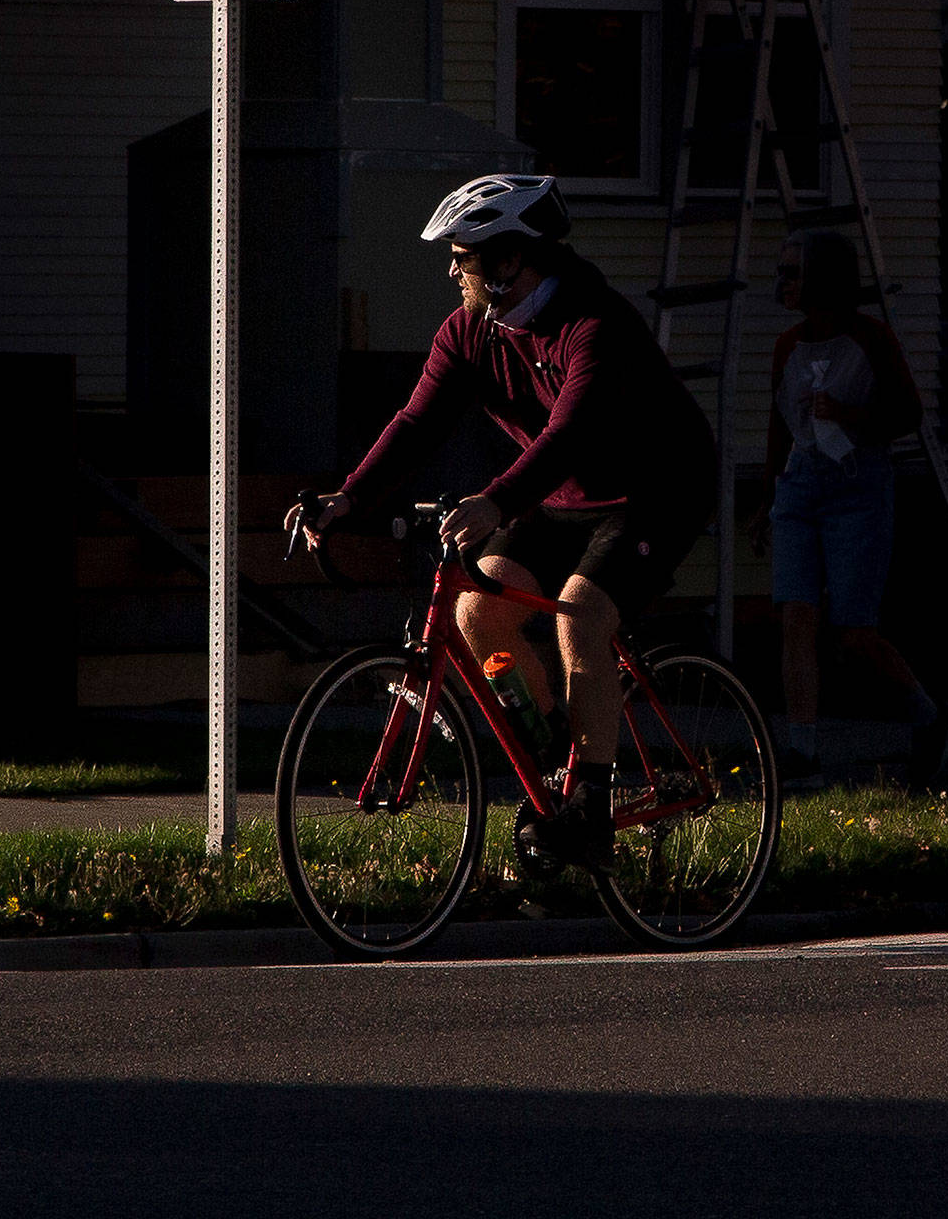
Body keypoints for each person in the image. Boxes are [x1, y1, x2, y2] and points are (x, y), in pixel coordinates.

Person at [285, 172, 716, 873]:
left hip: (654, 490)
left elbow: (571, 432)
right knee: (475, 613)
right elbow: (417, 421)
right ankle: (557, 762)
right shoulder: (471, 330)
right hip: (562, 496)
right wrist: (348, 498)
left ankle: (595, 814)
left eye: (466, 254)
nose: (453, 267)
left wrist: (497, 500)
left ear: (513, 259)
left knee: (581, 614)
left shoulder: (593, 322)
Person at [750, 229, 948, 791]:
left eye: (794, 271)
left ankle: (928, 715)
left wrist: (848, 413)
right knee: (795, 614)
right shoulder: (788, 346)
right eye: (782, 271)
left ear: (825, 277)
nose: (783, 282)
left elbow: (907, 413)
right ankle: (803, 748)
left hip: (856, 489)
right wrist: (769, 492)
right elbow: (777, 422)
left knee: (854, 629)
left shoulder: (870, 339)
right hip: (799, 487)